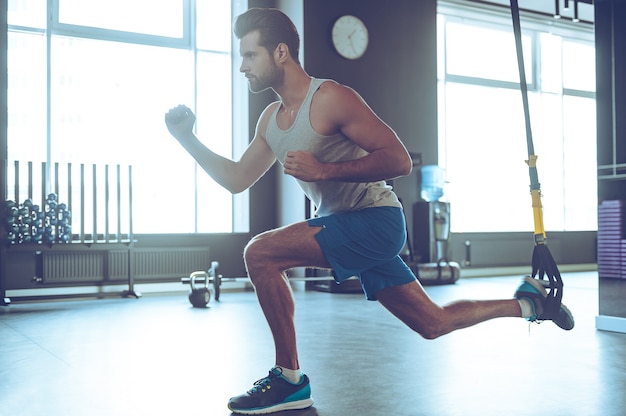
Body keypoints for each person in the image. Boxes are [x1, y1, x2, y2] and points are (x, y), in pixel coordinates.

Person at [165, 8, 575, 415]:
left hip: (376, 221)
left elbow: (399, 161)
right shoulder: (271, 120)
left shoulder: (331, 98)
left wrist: (324, 169)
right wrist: (188, 139)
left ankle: (289, 379)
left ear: (281, 53)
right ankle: (529, 304)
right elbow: (237, 179)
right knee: (432, 324)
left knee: (260, 252)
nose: (242, 67)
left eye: (250, 56)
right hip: (344, 224)